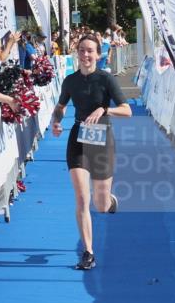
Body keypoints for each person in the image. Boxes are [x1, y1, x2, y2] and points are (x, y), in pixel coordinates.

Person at [51, 34, 133, 271]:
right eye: (82, 50)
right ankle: (88, 252)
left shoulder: (106, 79)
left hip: (102, 139)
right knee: (81, 198)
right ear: (77, 53)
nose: (86, 55)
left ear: (98, 54)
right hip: (78, 138)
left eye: (90, 51)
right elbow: (60, 107)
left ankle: (110, 200)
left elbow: (127, 111)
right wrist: (56, 121)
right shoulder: (70, 81)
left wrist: (105, 110)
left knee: (101, 205)